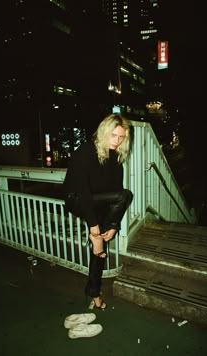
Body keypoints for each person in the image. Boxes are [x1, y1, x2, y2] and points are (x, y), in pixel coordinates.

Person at [63, 113, 133, 309]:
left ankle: (94, 293)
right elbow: (83, 192)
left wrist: (112, 227)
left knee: (100, 250)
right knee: (126, 196)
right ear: (104, 132)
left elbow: (114, 192)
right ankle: (97, 237)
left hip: (97, 201)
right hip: (77, 199)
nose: (117, 141)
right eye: (113, 135)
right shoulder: (85, 152)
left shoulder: (116, 156)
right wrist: (94, 229)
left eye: (121, 137)